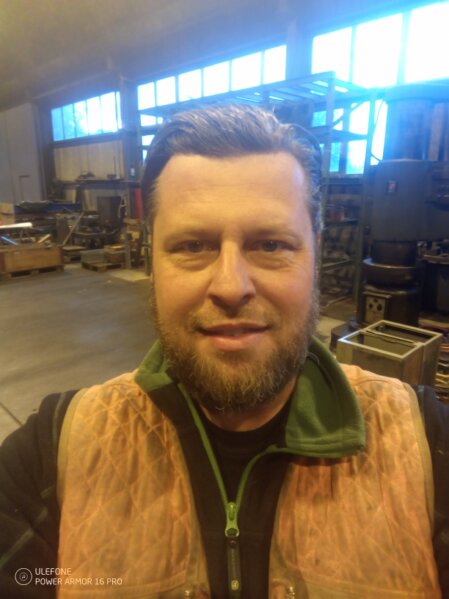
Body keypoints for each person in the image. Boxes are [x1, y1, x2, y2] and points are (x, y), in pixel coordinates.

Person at [1, 104, 449, 599]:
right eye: (193, 245)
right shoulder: (55, 451)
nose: (231, 287)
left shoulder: (425, 444)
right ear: (153, 260)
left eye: (271, 245)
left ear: (315, 254)